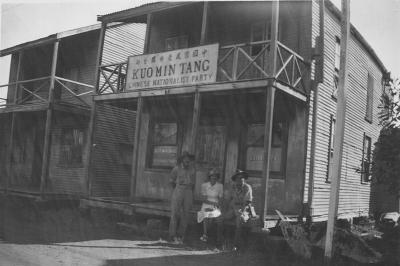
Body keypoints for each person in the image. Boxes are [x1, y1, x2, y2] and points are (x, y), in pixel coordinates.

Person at [168, 151, 196, 244]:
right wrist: (176, 191)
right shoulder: (176, 169)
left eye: (189, 159)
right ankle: (172, 235)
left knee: (186, 214)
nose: (187, 160)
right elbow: (171, 181)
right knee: (175, 213)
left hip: (188, 191)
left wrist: (192, 194)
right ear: (182, 159)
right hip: (179, 190)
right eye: (185, 158)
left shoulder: (192, 170)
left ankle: (180, 235)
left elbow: (194, 184)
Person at [226, 169, 254, 251]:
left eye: (242, 178)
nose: (240, 179)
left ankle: (235, 244)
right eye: (238, 178)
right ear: (235, 179)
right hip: (233, 207)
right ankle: (221, 241)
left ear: (244, 179)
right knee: (222, 217)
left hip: (244, 208)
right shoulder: (232, 187)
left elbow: (248, 202)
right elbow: (229, 199)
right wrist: (227, 209)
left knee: (239, 220)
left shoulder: (247, 187)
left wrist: (242, 211)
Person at [197, 168, 224, 245]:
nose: (214, 177)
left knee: (212, 218)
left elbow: (221, 198)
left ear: (217, 177)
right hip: (206, 203)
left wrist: (218, 205)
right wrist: (213, 204)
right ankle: (205, 234)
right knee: (206, 215)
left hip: (216, 204)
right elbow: (204, 199)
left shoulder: (220, 186)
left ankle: (207, 234)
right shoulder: (204, 185)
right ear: (209, 177)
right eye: (212, 176)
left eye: (215, 176)